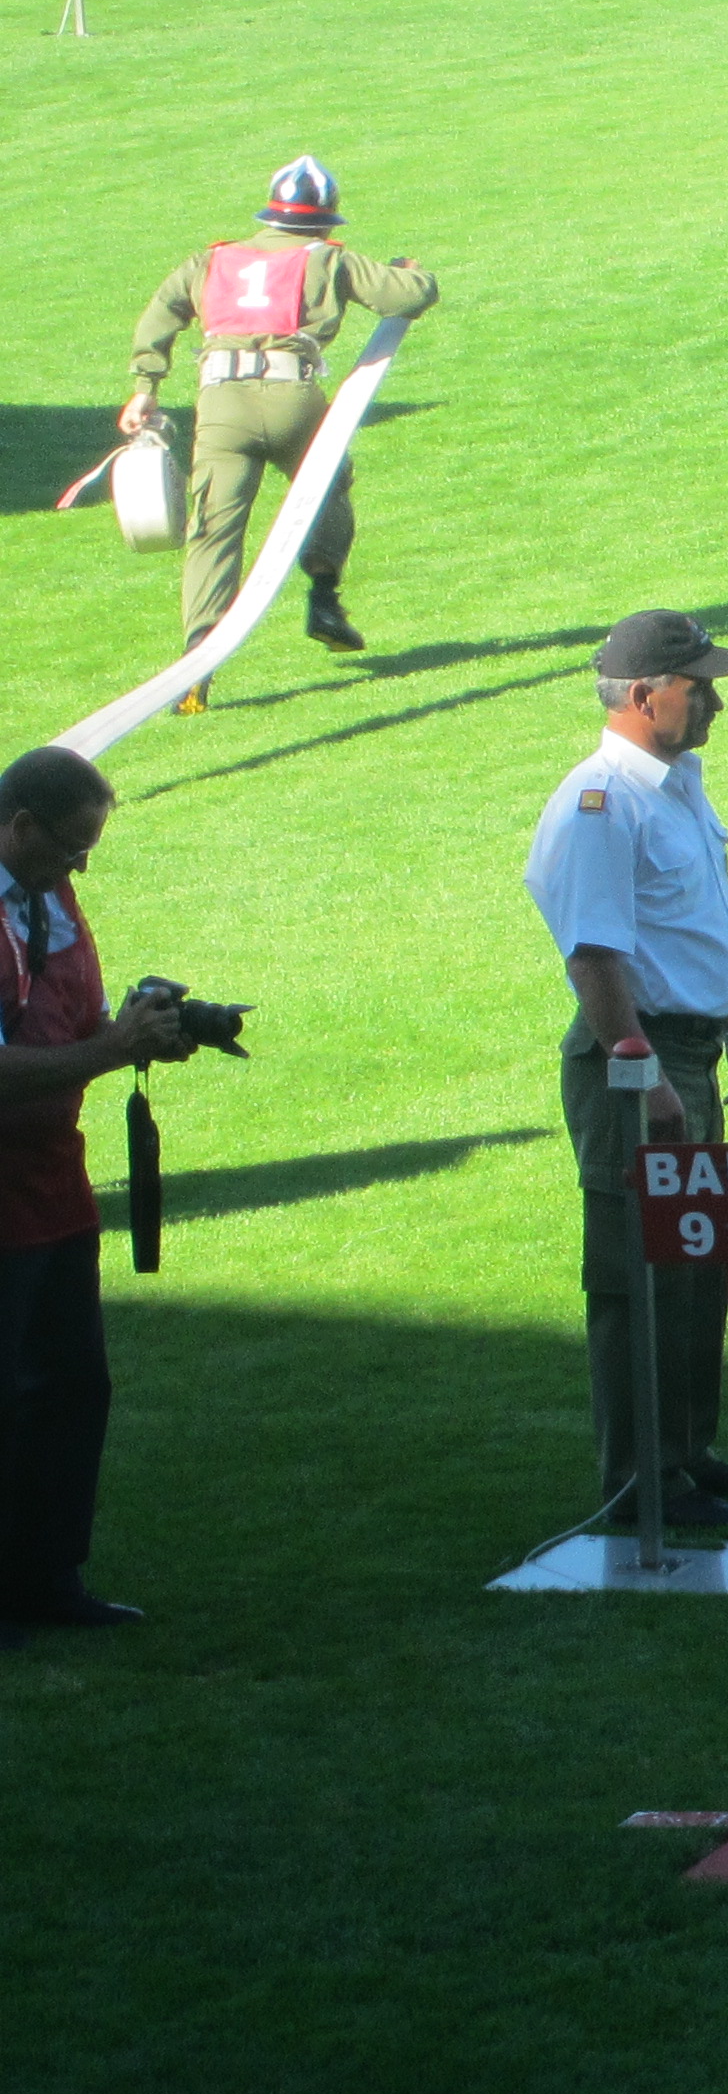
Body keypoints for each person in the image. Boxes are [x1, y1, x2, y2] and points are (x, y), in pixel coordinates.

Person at [523, 613, 728, 1531]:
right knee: (639, 1279)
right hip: (635, 1059)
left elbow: (692, 924)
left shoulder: (674, 788)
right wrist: (646, 1073)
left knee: (699, 1267)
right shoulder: (600, 803)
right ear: (644, 696)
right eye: (697, 686)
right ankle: (640, 1482)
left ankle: (686, 1453)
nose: (714, 701)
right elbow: (594, 956)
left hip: (691, 1050)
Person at [119, 156, 441, 701]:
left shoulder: (211, 259)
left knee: (213, 530)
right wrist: (412, 272)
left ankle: (196, 667)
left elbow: (161, 313)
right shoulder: (328, 259)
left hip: (222, 406)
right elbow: (409, 296)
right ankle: (324, 597)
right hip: (295, 401)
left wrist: (145, 386)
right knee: (328, 487)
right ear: (325, 219)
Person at [0, 747, 197, 1634]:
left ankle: (47, 1581)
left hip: (53, 1188)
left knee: (72, 1390)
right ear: (20, 827)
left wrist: (146, 1032)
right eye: (71, 848)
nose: (81, 867)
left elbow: (69, 1022)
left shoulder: (45, 893)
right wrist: (110, 1050)